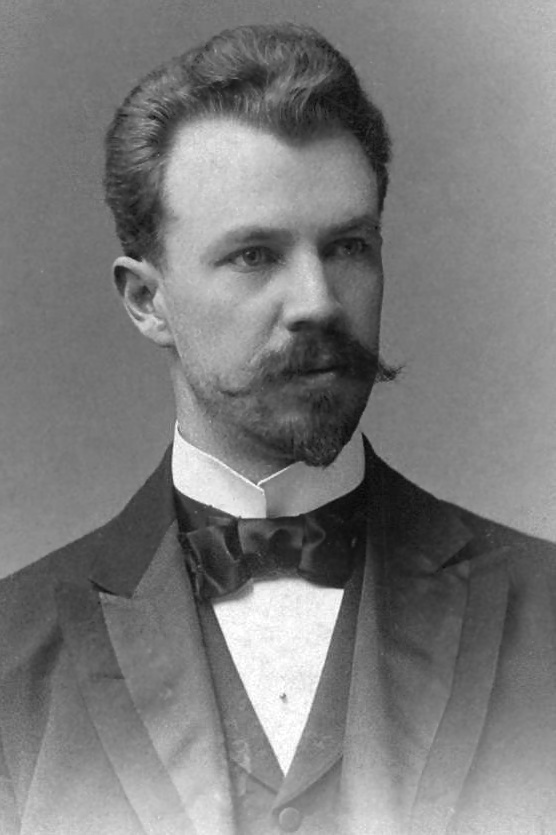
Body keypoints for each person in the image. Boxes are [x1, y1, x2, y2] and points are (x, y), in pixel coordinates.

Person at [1, 22, 555, 835]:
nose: (319, 302)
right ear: (147, 301)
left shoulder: (546, 617)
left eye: (348, 246)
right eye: (255, 256)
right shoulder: (13, 658)